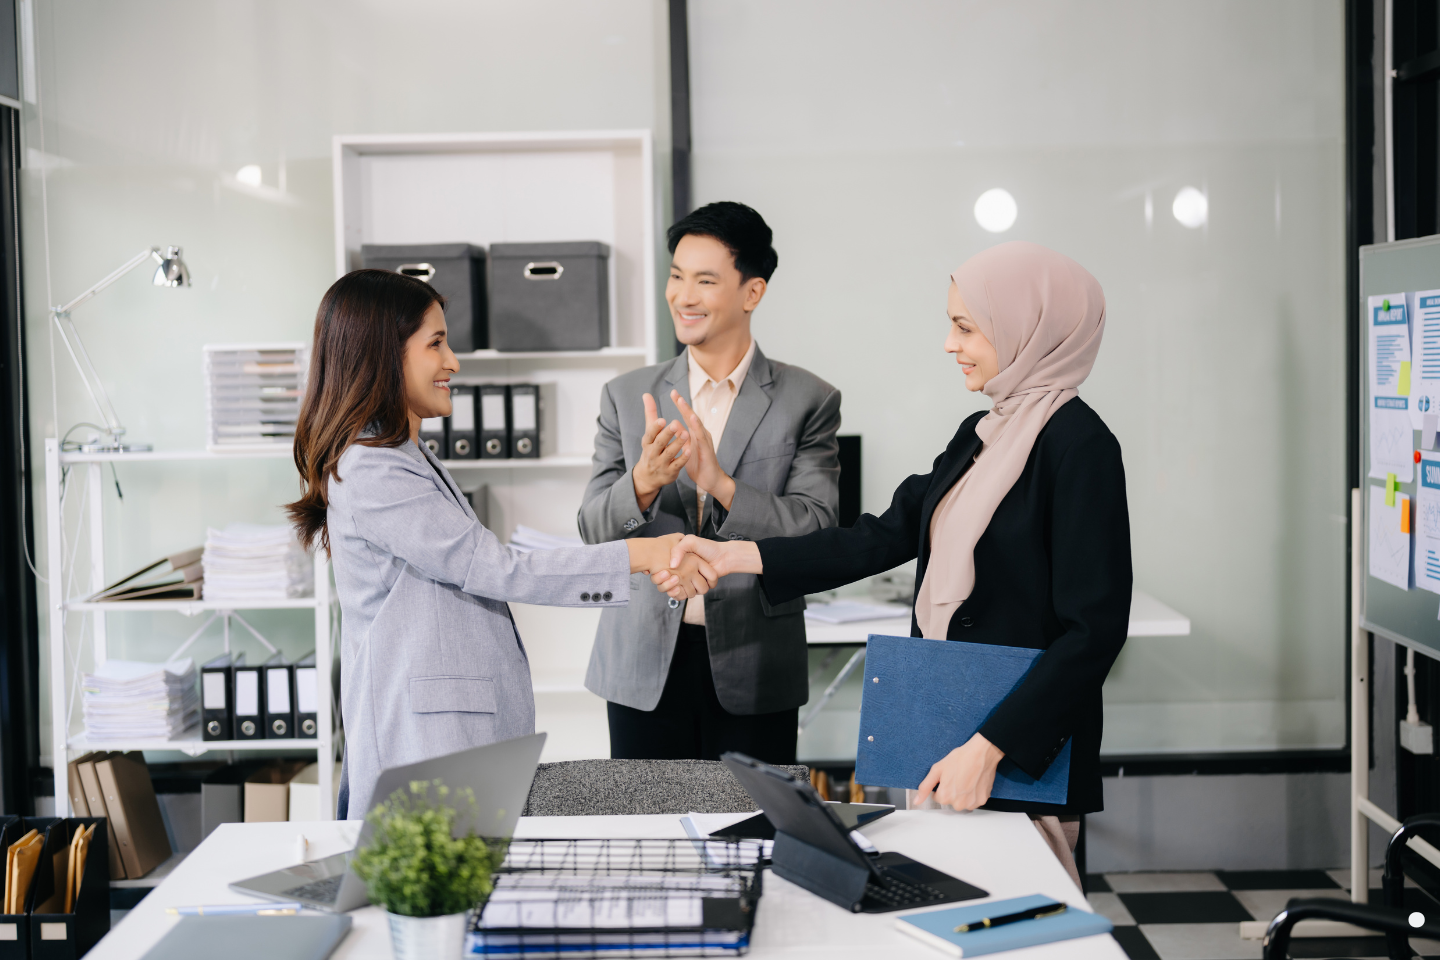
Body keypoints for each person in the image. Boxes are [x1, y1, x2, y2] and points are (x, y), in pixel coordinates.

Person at [660, 241, 1131, 886]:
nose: (949, 343)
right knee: (945, 912)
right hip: (943, 724)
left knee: (1025, 922)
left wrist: (992, 746)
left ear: (1028, 327)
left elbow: (1093, 632)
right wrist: (735, 553)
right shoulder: (981, 434)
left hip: (1014, 749)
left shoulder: (1081, 447)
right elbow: (880, 537)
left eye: (966, 327)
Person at [285, 269, 715, 819]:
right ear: (381, 355)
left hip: (447, 734)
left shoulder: (402, 455)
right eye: (435, 343)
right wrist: (641, 555)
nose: (453, 362)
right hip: (423, 742)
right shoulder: (373, 468)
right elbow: (492, 566)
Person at [578, 201, 842, 764]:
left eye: (704, 280)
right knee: (651, 842)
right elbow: (592, 531)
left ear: (752, 292)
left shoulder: (808, 399)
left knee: (751, 840)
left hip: (755, 664)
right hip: (641, 664)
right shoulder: (626, 396)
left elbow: (817, 528)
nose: (683, 296)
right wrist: (643, 483)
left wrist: (722, 485)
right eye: (676, 277)